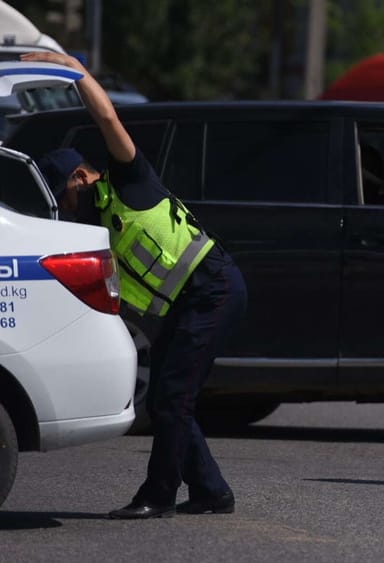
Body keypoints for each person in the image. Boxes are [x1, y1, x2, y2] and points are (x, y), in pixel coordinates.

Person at [22, 51, 247, 519]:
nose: (63, 207)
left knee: (169, 399)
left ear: (81, 176)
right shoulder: (97, 219)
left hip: (214, 288)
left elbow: (106, 115)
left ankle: (158, 496)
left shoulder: (130, 179)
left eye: (62, 193)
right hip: (189, 303)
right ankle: (210, 490)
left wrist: (72, 69)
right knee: (171, 400)